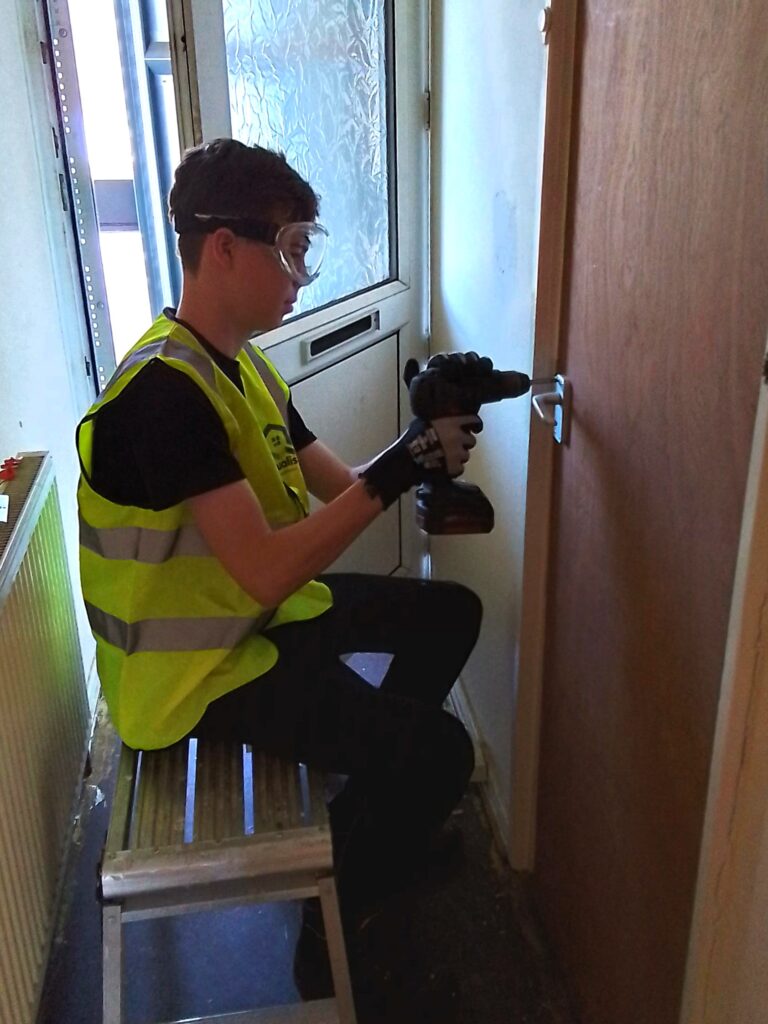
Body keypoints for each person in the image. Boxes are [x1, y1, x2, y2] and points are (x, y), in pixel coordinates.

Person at [76, 137, 485, 996]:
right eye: (291, 247)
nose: (302, 274)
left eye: (307, 248)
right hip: (190, 677)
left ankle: (372, 815)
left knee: (450, 613)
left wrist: (421, 447)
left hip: (248, 623)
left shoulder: (241, 366)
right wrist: (400, 470)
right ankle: (332, 913)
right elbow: (266, 570)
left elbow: (340, 484)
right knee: (444, 753)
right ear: (222, 247)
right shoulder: (160, 398)